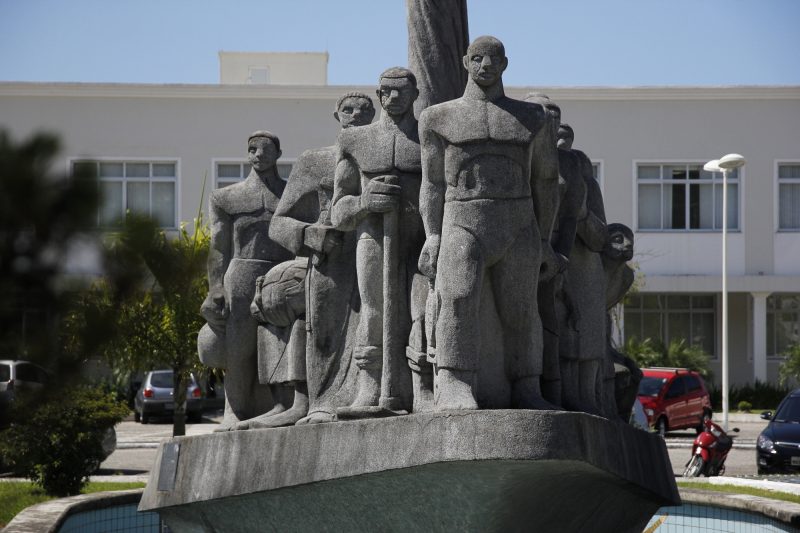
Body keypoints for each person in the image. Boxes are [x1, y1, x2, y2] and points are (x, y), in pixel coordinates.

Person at [418, 36, 561, 410]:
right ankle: (453, 380)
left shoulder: (532, 118)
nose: (485, 66)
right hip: (462, 217)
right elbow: (431, 183)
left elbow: (546, 181)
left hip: (518, 220)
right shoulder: (438, 118)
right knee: (458, 297)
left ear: (505, 64)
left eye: (493, 59)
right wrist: (432, 236)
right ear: (466, 62)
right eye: (478, 59)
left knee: (521, 307)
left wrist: (544, 239)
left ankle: (527, 384)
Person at [261, 92, 377, 425]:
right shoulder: (314, 161)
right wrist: (310, 235)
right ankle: (323, 403)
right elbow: (278, 223)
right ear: (336, 115)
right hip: (332, 259)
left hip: (375, 251)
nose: (355, 114)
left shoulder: (384, 153)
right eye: (348, 109)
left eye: (365, 110)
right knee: (326, 335)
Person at [331, 67, 430, 416]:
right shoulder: (355, 141)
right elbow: (337, 212)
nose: (393, 98)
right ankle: (369, 387)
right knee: (374, 311)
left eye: (402, 91)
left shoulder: (430, 136)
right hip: (373, 238)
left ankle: (423, 387)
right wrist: (364, 202)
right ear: (379, 94)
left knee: (424, 311)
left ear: (415, 95)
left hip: (420, 239)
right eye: (386, 92)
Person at [199, 131, 293, 431]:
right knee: (238, 350)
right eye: (252, 149)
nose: (258, 154)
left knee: (282, 344)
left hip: (282, 275)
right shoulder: (226, 197)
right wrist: (215, 287)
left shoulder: (292, 194)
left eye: (265, 149)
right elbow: (218, 246)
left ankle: (284, 407)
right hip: (241, 277)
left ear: (278, 153)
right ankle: (234, 410)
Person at [557, 123, 609, 416]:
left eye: (566, 136)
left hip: (583, 265)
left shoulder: (587, 182)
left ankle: (588, 396)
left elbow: (600, 237)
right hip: (549, 262)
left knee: (586, 337)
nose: (560, 140)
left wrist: (582, 214)